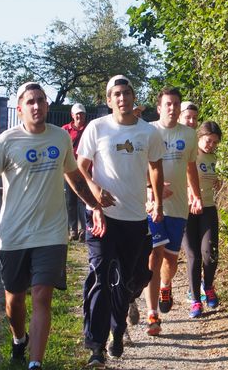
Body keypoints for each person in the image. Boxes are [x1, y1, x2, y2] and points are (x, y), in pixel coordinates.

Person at [0, 82, 106, 370]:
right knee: (14, 301)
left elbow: (75, 178)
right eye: (30, 101)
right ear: (20, 108)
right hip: (14, 234)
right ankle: (19, 338)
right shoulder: (5, 141)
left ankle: (35, 364)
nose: (37, 106)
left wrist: (94, 206)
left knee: (42, 295)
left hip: (51, 233)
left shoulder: (60, 138)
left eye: (41, 100)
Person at [76, 75, 165, 368]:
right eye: (116, 94)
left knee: (131, 279)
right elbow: (81, 167)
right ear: (108, 99)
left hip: (135, 217)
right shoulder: (97, 128)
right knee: (100, 277)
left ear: (133, 96)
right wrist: (94, 190)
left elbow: (155, 167)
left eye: (126, 93)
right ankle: (96, 347)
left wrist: (158, 203)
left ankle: (119, 326)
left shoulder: (147, 132)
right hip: (102, 218)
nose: (122, 98)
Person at [143, 88, 202, 332]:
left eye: (176, 104)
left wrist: (196, 195)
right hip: (152, 205)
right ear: (159, 108)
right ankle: (152, 314)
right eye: (168, 104)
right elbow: (138, 165)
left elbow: (191, 168)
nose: (172, 108)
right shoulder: (148, 131)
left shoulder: (189, 134)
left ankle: (166, 285)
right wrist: (150, 188)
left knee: (171, 258)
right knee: (154, 256)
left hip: (178, 206)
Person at [184, 121, 223, 317]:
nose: (211, 145)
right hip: (187, 210)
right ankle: (195, 301)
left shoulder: (213, 158)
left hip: (208, 208)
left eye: (215, 143)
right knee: (193, 255)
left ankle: (207, 286)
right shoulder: (190, 154)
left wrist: (217, 181)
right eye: (209, 141)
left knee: (210, 252)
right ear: (200, 137)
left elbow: (212, 176)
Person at [62, 103, 88, 241]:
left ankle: (84, 229)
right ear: (72, 115)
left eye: (82, 113)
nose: (79, 116)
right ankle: (73, 230)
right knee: (70, 201)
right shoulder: (65, 130)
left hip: (86, 171)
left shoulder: (90, 129)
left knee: (84, 200)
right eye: (77, 114)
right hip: (69, 171)